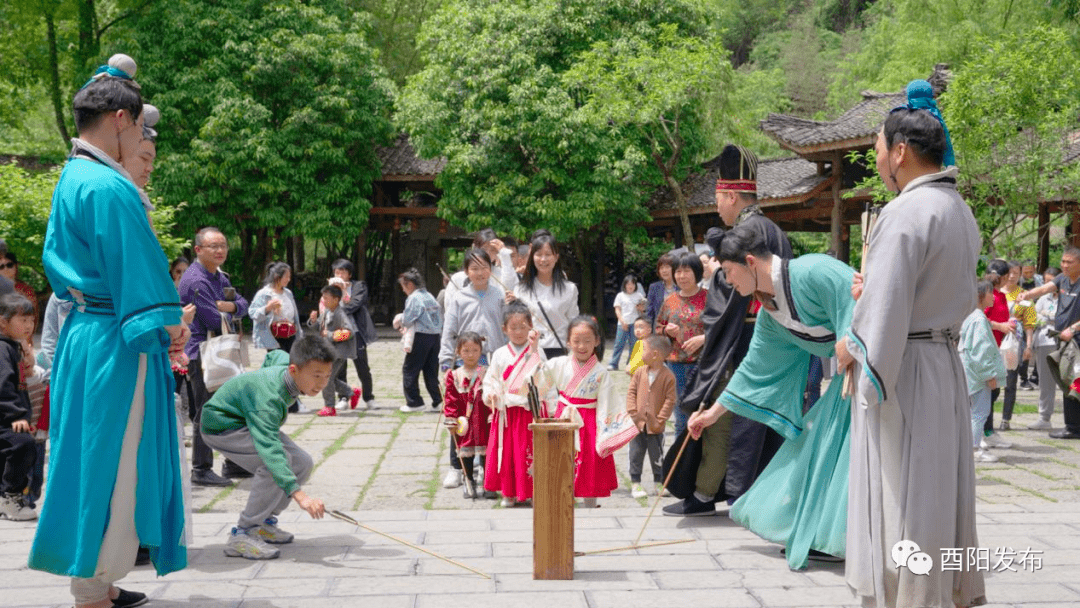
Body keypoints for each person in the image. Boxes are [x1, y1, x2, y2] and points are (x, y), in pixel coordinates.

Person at [29, 54, 187, 608]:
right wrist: (170, 328)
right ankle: (92, 588)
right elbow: (137, 273)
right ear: (120, 119)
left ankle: (96, 582)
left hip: (87, 333)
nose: (143, 137)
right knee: (117, 460)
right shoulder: (106, 186)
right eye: (141, 125)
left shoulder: (74, 175)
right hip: (114, 337)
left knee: (92, 453)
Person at [836, 79, 986, 608]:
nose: (877, 156)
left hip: (906, 365)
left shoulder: (903, 212)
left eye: (878, 146)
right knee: (940, 488)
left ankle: (912, 596)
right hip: (943, 359)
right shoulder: (958, 209)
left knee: (905, 489)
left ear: (900, 152)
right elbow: (937, 289)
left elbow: (886, 313)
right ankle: (947, 590)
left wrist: (850, 347)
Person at [689, 225, 855, 569]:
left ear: (750, 262)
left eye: (729, 271)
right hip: (847, 385)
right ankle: (823, 534)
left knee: (839, 456)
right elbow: (754, 370)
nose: (728, 281)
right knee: (815, 453)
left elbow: (861, 302)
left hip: (871, 376)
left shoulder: (814, 270)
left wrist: (851, 340)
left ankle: (842, 536)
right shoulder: (770, 316)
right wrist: (712, 414)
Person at [663, 144, 792, 519]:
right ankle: (750, 496)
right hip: (775, 340)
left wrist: (716, 276)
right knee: (763, 421)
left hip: (744, 341)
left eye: (719, 198)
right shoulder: (774, 230)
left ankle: (721, 495)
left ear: (732, 195)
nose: (716, 206)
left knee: (727, 421)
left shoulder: (745, 234)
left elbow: (733, 293)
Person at [200, 335, 332, 560]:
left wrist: (253, 387)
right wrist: (301, 497)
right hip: (223, 426)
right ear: (294, 370)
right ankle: (243, 533)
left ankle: (264, 523)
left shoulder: (286, 366)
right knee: (275, 464)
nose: (322, 384)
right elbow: (270, 450)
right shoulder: (268, 400)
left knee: (302, 462)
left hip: (248, 418)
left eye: (327, 376)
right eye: (316, 376)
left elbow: (274, 355)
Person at [178, 226, 249, 486]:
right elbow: (211, 319)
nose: (220, 250)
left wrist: (227, 306)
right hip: (201, 353)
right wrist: (231, 310)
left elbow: (244, 305)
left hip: (220, 350)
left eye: (223, 245)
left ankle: (234, 462)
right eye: (213, 246)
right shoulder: (196, 280)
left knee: (230, 407)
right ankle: (201, 468)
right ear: (198, 250)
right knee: (206, 411)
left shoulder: (219, 277)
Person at [531, 315, 618, 508]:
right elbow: (540, 380)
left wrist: (606, 431)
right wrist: (535, 350)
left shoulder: (600, 372)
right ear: (568, 342)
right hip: (564, 418)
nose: (582, 346)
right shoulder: (559, 363)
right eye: (576, 341)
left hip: (589, 421)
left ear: (597, 341)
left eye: (587, 341)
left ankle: (590, 503)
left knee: (589, 462)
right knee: (562, 461)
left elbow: (608, 402)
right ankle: (563, 503)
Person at [438, 249, 506, 489]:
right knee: (460, 416)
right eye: (474, 268)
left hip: (492, 361)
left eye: (484, 267)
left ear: (491, 269)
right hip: (464, 363)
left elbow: (507, 327)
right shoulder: (459, 297)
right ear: (466, 271)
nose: (480, 272)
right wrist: (446, 360)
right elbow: (449, 330)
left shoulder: (499, 295)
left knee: (488, 415)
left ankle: (489, 467)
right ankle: (456, 467)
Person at [483, 301, 545, 507]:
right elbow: (491, 379)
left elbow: (545, 379)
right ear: (504, 329)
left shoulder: (537, 351)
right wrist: (491, 394)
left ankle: (534, 491)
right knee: (508, 453)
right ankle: (508, 492)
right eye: (513, 327)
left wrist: (534, 352)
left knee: (530, 452)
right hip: (507, 413)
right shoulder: (500, 354)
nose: (518, 332)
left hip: (529, 411)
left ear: (531, 327)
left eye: (523, 327)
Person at [1020, 247, 1080, 439]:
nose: (1064, 265)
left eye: (1069, 262)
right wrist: (1027, 295)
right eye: (1063, 261)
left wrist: (1073, 329)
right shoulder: (1062, 278)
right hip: (1063, 340)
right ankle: (1072, 426)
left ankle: (1073, 427)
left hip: (1076, 340)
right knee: (1068, 381)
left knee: (1075, 382)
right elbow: (1044, 289)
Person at [655, 252, 708, 437]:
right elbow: (657, 327)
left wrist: (704, 338)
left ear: (697, 272)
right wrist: (666, 330)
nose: (682, 276)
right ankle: (680, 454)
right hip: (675, 365)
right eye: (678, 271)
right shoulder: (670, 300)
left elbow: (722, 327)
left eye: (687, 271)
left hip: (703, 364)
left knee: (702, 415)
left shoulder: (709, 298)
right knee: (681, 416)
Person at [0, 293, 38, 521]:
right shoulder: (2, 349)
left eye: (31, 320)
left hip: (10, 417)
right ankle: (10, 497)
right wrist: (16, 415)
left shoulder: (14, 347)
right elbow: (3, 385)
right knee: (23, 445)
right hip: (6, 418)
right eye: (22, 320)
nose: (29, 325)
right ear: (3, 322)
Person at [960, 280, 1008, 463]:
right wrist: (989, 374)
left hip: (971, 370)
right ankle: (974, 449)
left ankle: (970, 447)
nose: (993, 297)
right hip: (977, 374)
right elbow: (980, 350)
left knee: (972, 412)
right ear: (981, 295)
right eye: (990, 293)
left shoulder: (971, 315)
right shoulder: (979, 319)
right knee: (979, 413)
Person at [511, 233, 579, 359]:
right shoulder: (521, 289)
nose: (543, 259)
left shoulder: (569, 289)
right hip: (530, 349)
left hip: (558, 349)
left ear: (556, 257)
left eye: (548, 254)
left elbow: (573, 322)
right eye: (538, 254)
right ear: (532, 257)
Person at [625, 334, 676, 499]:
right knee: (635, 453)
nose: (640, 353)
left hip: (656, 426)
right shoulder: (639, 372)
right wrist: (632, 411)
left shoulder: (668, 376)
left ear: (655, 354)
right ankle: (635, 482)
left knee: (657, 454)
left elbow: (670, 400)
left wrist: (661, 419)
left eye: (643, 350)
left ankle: (658, 482)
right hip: (637, 423)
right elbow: (631, 392)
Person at [443, 332, 492, 499]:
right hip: (464, 421)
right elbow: (450, 399)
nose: (471, 355)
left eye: (475, 350)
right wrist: (451, 419)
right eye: (466, 351)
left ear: (481, 351)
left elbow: (492, 393)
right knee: (465, 450)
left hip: (483, 418)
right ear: (458, 352)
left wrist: (493, 411)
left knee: (486, 450)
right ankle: (468, 479)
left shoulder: (486, 372)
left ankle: (487, 482)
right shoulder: (454, 375)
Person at [329, 259, 378, 409]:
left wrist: (341, 296)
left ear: (349, 274)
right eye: (337, 272)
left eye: (343, 272)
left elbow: (355, 304)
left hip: (355, 332)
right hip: (338, 333)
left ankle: (369, 398)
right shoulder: (330, 289)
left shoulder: (358, 286)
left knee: (362, 366)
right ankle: (343, 398)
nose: (339, 275)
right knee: (339, 367)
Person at [396, 268, 443, 413]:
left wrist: (399, 319)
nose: (403, 290)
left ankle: (414, 402)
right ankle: (438, 401)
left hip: (420, 336)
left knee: (410, 369)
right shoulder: (429, 295)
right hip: (435, 336)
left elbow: (408, 319)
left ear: (409, 284)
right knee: (431, 371)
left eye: (403, 286)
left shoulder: (414, 298)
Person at [307, 285, 358, 417]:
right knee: (330, 378)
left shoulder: (341, 313)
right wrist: (313, 321)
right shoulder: (327, 311)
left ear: (336, 299)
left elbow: (349, 332)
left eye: (326, 298)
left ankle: (329, 406)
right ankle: (351, 392)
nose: (323, 300)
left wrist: (329, 334)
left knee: (326, 378)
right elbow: (319, 328)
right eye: (322, 297)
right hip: (329, 350)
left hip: (338, 352)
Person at [979, 259, 1015, 448]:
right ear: (1004, 276)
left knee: (994, 390)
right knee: (986, 391)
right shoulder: (985, 294)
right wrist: (1000, 326)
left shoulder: (1000, 295)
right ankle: (980, 432)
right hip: (984, 349)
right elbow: (980, 318)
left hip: (997, 349)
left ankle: (988, 430)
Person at [1028, 266, 1060, 430]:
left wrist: (1048, 316)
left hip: (1064, 342)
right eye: (1045, 281)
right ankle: (1044, 417)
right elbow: (1034, 316)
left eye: (1050, 282)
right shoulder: (1043, 298)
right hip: (1043, 341)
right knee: (1046, 381)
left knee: (1071, 380)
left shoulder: (1068, 297)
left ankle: (1074, 418)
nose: (1047, 285)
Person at [250, 262, 302, 354]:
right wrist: (267, 308)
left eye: (289, 277)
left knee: (291, 361)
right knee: (279, 361)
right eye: (286, 277)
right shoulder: (263, 294)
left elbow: (295, 315)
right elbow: (252, 313)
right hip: (274, 337)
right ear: (277, 276)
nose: (289, 279)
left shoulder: (288, 293)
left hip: (291, 334)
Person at [609, 274, 646, 370]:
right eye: (628, 284)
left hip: (635, 323)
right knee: (619, 344)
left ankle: (632, 363)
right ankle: (613, 364)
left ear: (635, 285)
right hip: (622, 323)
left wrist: (641, 308)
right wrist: (622, 321)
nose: (630, 286)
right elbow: (617, 310)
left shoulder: (639, 295)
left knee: (634, 344)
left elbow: (643, 310)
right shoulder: (620, 295)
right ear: (624, 285)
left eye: (632, 284)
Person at [0, 251, 38, 320]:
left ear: (16, 265)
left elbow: (33, 315)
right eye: (1, 267)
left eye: (9, 265)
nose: (6, 269)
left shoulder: (26, 290)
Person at [645, 253, 676, 324]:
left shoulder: (682, 286)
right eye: (661, 268)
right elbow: (649, 312)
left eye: (667, 267)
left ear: (675, 268)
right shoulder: (654, 287)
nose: (664, 270)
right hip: (659, 328)